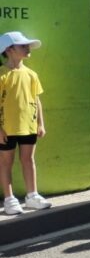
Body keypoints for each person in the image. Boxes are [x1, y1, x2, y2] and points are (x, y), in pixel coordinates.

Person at [0, 32, 51, 215]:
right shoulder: (1, 74)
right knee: (6, 162)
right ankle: (9, 200)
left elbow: (36, 100)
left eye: (27, 45)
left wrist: (40, 124)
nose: (27, 48)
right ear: (9, 50)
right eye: (23, 46)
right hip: (6, 129)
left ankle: (32, 196)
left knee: (28, 160)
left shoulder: (31, 74)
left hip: (28, 126)